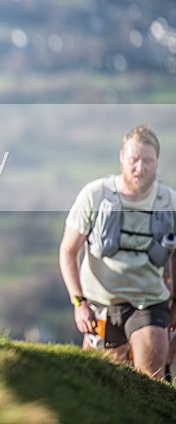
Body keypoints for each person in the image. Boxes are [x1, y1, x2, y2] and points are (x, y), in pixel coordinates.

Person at [58, 125, 176, 379]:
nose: (140, 167)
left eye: (148, 161)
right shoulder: (96, 195)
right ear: (121, 157)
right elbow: (68, 251)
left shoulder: (169, 202)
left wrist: (174, 301)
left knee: (151, 377)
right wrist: (79, 302)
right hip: (100, 304)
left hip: (149, 301)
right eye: (134, 159)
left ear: (156, 162)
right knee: (101, 381)